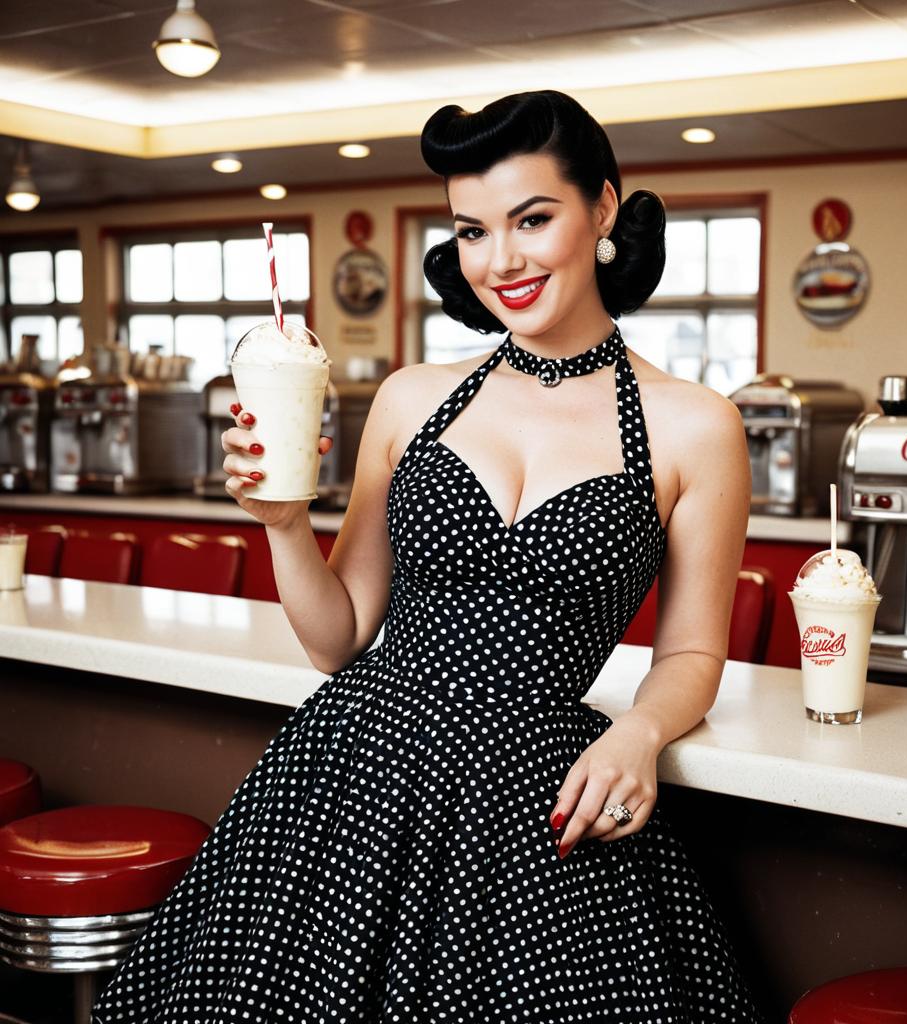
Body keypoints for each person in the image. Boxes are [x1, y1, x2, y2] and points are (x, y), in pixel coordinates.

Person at [90, 89, 763, 1023]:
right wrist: (284, 522)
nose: (501, 262)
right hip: (354, 770)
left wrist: (639, 734)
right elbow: (337, 639)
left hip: (534, 799)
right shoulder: (411, 397)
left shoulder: (697, 426)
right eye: (472, 231)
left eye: (533, 220)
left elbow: (692, 651)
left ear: (604, 209)